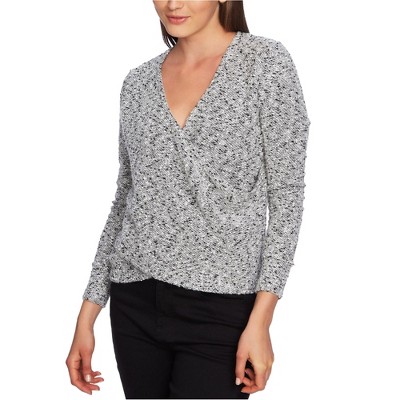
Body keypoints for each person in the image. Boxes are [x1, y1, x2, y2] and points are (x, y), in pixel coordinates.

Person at [66, 0, 311, 398]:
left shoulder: (264, 63)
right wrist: (87, 313)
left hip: (223, 306)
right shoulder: (137, 84)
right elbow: (126, 198)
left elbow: (286, 198)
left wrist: (262, 319)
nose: (173, 4)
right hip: (134, 300)